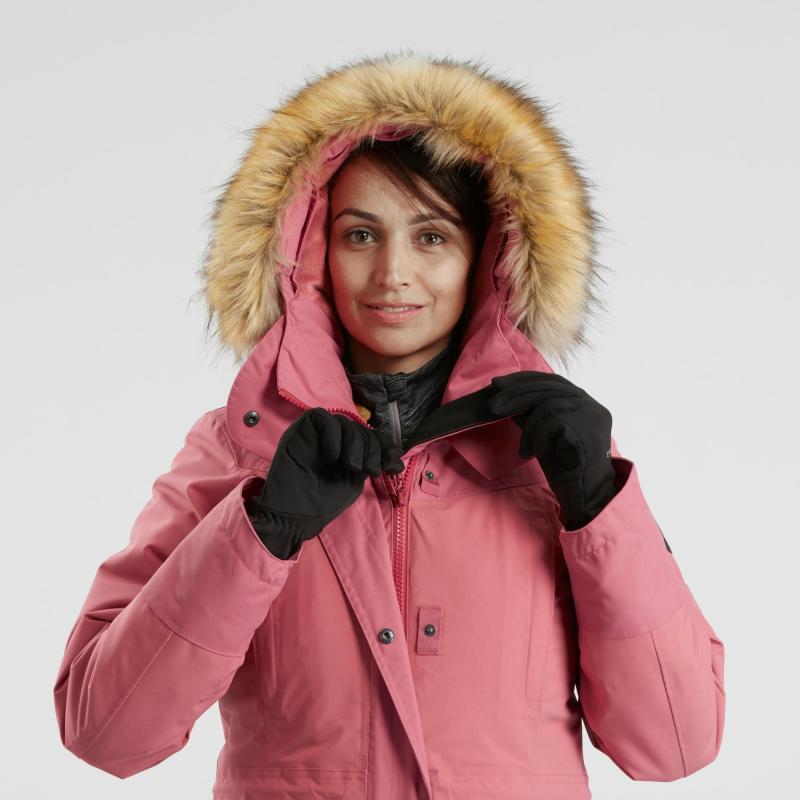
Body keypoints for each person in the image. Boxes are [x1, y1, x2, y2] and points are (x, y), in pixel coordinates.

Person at [53, 53, 725, 799]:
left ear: (487, 256)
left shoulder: (551, 454)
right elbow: (104, 730)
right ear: (311, 253)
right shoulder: (239, 446)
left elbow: (676, 743)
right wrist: (261, 532)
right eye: (360, 236)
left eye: (431, 236)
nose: (392, 274)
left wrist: (599, 505)